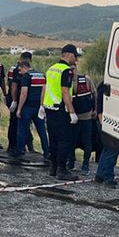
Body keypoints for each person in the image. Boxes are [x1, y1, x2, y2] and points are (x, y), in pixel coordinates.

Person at [42, 44, 80, 181]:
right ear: (69, 54)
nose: (76, 61)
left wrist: (42, 106)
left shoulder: (51, 69)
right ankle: (62, 170)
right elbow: (65, 91)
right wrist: (72, 112)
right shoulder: (66, 70)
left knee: (53, 139)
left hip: (49, 108)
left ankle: (53, 167)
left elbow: (45, 87)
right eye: (75, 57)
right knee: (65, 140)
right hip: (60, 110)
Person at [14, 61, 49, 159]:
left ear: (24, 67)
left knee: (22, 130)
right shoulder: (41, 75)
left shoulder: (26, 76)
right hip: (39, 107)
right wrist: (42, 106)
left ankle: (19, 151)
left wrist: (19, 109)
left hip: (27, 107)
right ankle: (47, 152)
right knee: (42, 131)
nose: (20, 72)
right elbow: (44, 91)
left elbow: (24, 93)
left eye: (20, 70)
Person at [68, 69, 97, 176]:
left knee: (87, 142)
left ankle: (85, 164)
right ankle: (71, 161)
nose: (71, 71)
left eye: (73, 69)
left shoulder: (86, 79)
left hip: (87, 117)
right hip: (72, 117)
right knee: (71, 141)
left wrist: (95, 110)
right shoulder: (66, 81)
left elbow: (94, 95)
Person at [6, 52, 35, 154]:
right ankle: (12, 146)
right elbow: (13, 86)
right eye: (24, 59)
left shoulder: (29, 70)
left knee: (24, 124)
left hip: (24, 100)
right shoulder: (15, 70)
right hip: (15, 98)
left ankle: (25, 145)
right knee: (14, 122)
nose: (25, 61)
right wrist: (14, 101)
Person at [95, 81, 119, 188]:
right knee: (112, 149)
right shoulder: (105, 85)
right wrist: (101, 119)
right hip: (106, 120)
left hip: (107, 120)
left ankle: (100, 175)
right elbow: (100, 103)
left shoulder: (105, 84)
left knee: (107, 149)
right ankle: (108, 177)